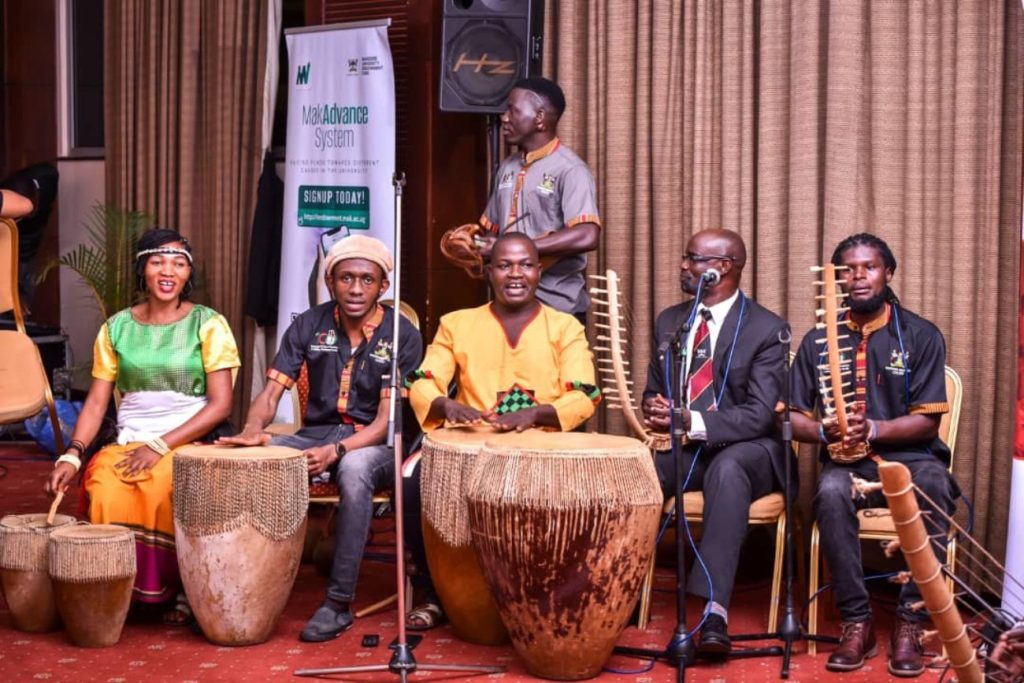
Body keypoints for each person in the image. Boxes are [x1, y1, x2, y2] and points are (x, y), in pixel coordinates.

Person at [218, 234, 422, 643]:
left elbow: (385, 422)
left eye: (367, 280)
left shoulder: (401, 334)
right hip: (314, 435)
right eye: (346, 278)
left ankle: (337, 603)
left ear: (383, 286)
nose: (356, 288)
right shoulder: (308, 324)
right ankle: (241, 584)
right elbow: (271, 393)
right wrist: (252, 431)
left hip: (376, 443)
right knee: (251, 458)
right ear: (331, 282)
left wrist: (337, 449)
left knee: (354, 469)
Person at [404, 232, 601, 628]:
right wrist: (445, 404)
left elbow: (585, 393)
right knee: (412, 476)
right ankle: (432, 589)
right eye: (505, 265)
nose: (516, 274)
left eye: (526, 265)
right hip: (473, 443)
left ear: (538, 271)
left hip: (542, 444)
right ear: (488, 271)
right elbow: (422, 379)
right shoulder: (456, 323)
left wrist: (536, 415)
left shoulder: (564, 327)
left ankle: (549, 595)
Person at [45, 228, 240, 623]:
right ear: (142, 270)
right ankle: (113, 587)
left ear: (189, 275)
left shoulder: (208, 323)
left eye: (179, 263)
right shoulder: (116, 328)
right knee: (103, 486)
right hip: (130, 440)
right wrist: (72, 454)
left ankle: (181, 588)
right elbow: (98, 401)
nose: (168, 270)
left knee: (163, 486)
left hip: (189, 439)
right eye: (157, 262)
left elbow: (221, 405)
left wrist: (161, 446)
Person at [790, 233, 954, 677]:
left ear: (889, 273)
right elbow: (791, 419)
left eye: (870, 267)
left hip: (912, 458)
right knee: (828, 491)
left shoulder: (920, 335)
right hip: (847, 462)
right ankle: (856, 622)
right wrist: (826, 431)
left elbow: (928, 421)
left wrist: (876, 428)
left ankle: (911, 623)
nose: (858, 276)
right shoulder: (817, 341)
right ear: (836, 279)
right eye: (848, 269)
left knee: (937, 485)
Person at [641, 228, 791, 662]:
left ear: (721, 268)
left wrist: (692, 419)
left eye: (692, 258)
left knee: (728, 468)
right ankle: (617, 591)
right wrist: (656, 407)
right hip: (688, 449)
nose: (683, 266)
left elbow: (762, 414)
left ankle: (713, 614)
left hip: (751, 452)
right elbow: (654, 391)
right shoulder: (671, 322)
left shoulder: (767, 328)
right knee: (638, 471)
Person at [477, 77, 600, 322]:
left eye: (513, 110)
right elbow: (491, 229)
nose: (504, 117)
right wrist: (477, 245)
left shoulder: (570, 169)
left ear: (540, 118)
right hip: (507, 306)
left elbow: (588, 234)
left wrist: (521, 249)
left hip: (557, 310)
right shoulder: (508, 168)